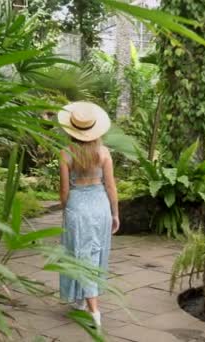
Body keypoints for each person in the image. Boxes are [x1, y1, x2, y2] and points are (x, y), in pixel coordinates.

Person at [57, 101, 120, 328]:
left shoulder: (65, 153)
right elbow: (111, 187)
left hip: (77, 207)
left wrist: (66, 209)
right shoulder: (103, 153)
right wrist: (115, 214)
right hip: (100, 207)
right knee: (94, 254)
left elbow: (64, 191)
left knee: (79, 254)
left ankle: (94, 309)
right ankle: (82, 302)